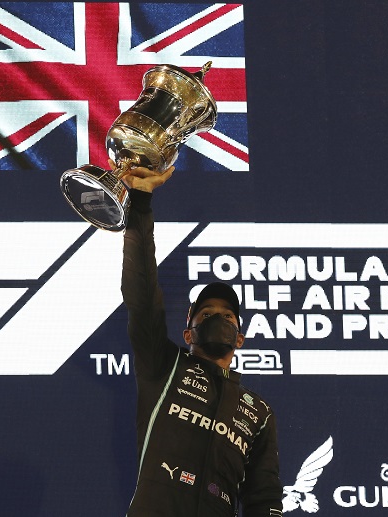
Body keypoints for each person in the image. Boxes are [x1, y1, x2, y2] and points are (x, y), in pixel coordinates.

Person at [119, 163, 282, 517]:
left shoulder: (259, 413)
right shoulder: (164, 366)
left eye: (227, 316)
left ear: (240, 339)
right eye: (206, 314)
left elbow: (265, 497)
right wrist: (141, 202)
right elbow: (142, 294)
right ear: (188, 333)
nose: (218, 319)